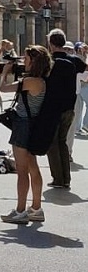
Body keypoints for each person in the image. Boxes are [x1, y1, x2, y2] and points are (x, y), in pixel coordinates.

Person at [0, 46, 51, 224]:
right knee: (33, 167)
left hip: (22, 125)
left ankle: (20, 211)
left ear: (34, 62)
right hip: (33, 124)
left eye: (27, 59)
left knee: (22, 171)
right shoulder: (43, 80)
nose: (24, 62)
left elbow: (3, 88)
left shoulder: (30, 81)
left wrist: (5, 71)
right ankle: (36, 208)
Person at [44, 29, 83, 189]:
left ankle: (58, 179)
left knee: (52, 143)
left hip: (52, 107)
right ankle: (66, 178)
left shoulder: (47, 61)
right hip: (69, 106)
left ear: (51, 44)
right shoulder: (74, 60)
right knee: (62, 142)